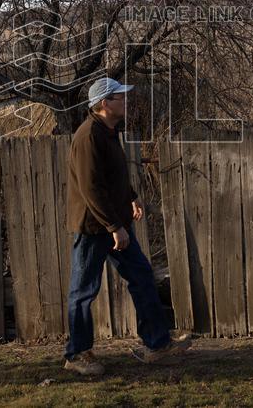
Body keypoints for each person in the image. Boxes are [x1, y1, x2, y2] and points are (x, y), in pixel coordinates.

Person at [63, 76, 190, 376]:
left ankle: (157, 346)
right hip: (95, 227)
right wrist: (113, 227)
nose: (127, 101)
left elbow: (113, 177)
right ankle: (77, 354)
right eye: (121, 97)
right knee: (83, 291)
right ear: (105, 103)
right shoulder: (88, 137)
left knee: (142, 275)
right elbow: (91, 188)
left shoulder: (108, 131)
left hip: (114, 222)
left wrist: (132, 197)